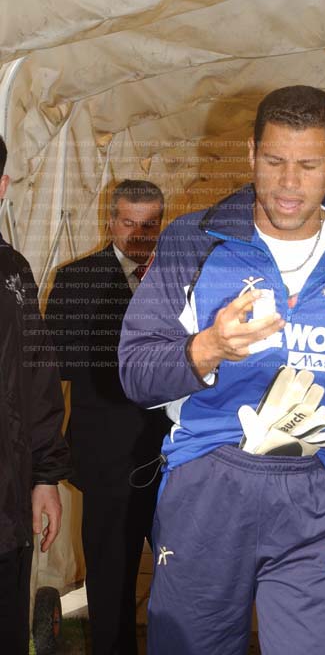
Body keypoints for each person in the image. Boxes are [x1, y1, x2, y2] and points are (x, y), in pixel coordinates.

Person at [119, 85, 325, 655]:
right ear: (251, 154)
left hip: (318, 489)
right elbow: (136, 370)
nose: (288, 184)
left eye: (308, 166)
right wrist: (206, 348)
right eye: (274, 161)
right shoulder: (194, 241)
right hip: (207, 484)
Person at [45, 179, 170, 655]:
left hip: (174, 456)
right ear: (110, 220)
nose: (138, 235)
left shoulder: (182, 277)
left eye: (149, 225)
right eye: (128, 223)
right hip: (108, 457)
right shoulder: (75, 279)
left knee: (184, 572)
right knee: (110, 576)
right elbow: (59, 365)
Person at [0, 135, 70, 655]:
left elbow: (38, 379)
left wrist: (46, 476)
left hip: (5, 507)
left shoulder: (13, 271)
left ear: (2, 187)